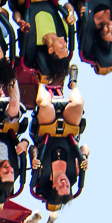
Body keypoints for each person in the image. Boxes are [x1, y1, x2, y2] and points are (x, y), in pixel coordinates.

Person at [30, 72, 89, 207]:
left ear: (53, 186)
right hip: (68, 129)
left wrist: (34, 158)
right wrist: (84, 157)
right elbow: (85, 147)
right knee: (79, 104)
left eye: (61, 187)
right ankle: (73, 84)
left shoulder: (42, 173)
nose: (65, 183)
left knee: (45, 105)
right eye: (67, 186)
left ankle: (42, 81)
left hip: (46, 130)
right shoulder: (75, 172)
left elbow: (32, 148)